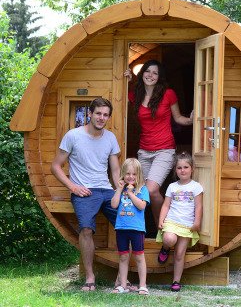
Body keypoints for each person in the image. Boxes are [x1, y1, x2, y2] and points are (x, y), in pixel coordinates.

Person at [51, 98, 135, 292]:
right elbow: (55, 166)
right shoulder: (73, 136)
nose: (101, 118)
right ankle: (90, 277)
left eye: (105, 115)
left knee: (129, 225)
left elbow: (115, 171)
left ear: (109, 117)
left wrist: (120, 191)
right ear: (89, 114)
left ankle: (121, 278)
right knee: (86, 229)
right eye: (98, 113)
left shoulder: (111, 138)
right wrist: (73, 187)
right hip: (83, 191)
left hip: (106, 190)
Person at [124, 59, 193, 227]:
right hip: (144, 151)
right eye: (147, 71)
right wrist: (124, 80)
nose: (150, 75)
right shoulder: (135, 95)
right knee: (148, 193)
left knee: (152, 190)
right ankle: (159, 227)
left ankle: (165, 226)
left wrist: (192, 120)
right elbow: (116, 102)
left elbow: (178, 118)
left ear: (159, 77)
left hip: (164, 149)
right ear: (142, 74)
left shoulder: (168, 94)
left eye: (155, 73)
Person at [155, 151, 203, 292]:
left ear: (192, 169)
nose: (183, 170)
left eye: (186, 167)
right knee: (169, 239)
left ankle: (176, 281)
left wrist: (197, 222)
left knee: (179, 254)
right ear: (175, 170)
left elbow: (199, 206)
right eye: (179, 168)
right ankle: (165, 248)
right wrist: (161, 219)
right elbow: (165, 205)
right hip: (172, 221)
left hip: (187, 225)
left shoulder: (196, 187)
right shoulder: (172, 187)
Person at [111, 158, 150, 295]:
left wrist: (131, 193)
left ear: (139, 175)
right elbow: (114, 204)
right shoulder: (121, 190)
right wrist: (120, 188)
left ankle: (143, 285)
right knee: (123, 257)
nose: (131, 177)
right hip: (121, 228)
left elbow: (141, 206)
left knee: (139, 257)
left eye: (134, 174)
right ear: (123, 174)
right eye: (127, 174)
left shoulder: (143, 190)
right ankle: (122, 285)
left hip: (137, 229)